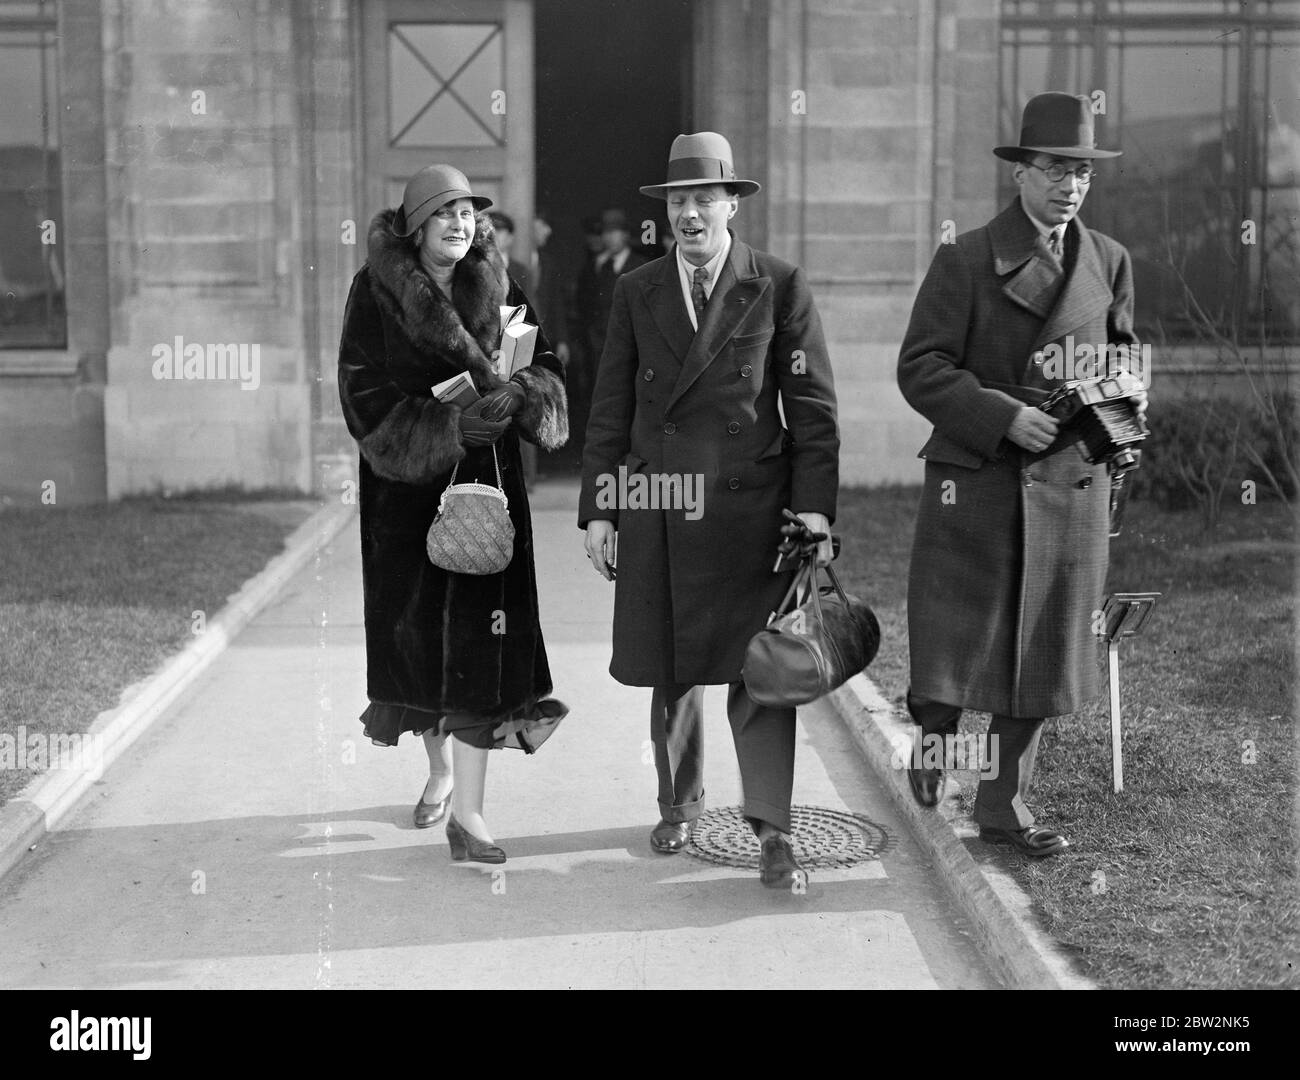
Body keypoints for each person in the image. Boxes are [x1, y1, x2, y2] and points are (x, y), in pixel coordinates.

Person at [579, 132, 840, 887]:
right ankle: (679, 803)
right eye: (678, 202)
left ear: (733, 203)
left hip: (755, 514)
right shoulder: (637, 289)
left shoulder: (780, 284)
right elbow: (611, 406)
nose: (690, 215)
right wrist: (603, 508)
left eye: (704, 199)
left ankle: (772, 833)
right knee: (675, 667)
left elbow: (813, 412)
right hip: (660, 501)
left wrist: (814, 510)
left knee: (765, 675)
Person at [897, 92, 1146, 858]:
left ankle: (1003, 807)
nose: (1070, 186)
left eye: (1082, 173)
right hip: (979, 479)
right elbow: (920, 367)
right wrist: (1001, 414)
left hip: (1072, 479)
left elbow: (1127, 355)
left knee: (1040, 652)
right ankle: (935, 741)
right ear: (1020, 176)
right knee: (958, 645)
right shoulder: (965, 258)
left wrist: (1128, 396)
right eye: (1054, 170)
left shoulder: (1108, 260)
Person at [338, 164, 569, 864]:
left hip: (491, 497)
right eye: (444, 215)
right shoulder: (373, 294)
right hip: (407, 503)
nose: (460, 226)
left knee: (481, 653)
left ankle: (469, 816)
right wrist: (443, 430)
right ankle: (439, 771)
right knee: (421, 650)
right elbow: (362, 398)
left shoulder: (500, 288)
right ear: (414, 226)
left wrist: (522, 394)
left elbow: (548, 366)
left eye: (469, 214)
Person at [487, 210, 531, 292]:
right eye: (488, 230)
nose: (492, 234)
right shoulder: (470, 266)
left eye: (498, 230)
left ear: (510, 238)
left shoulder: (521, 271)